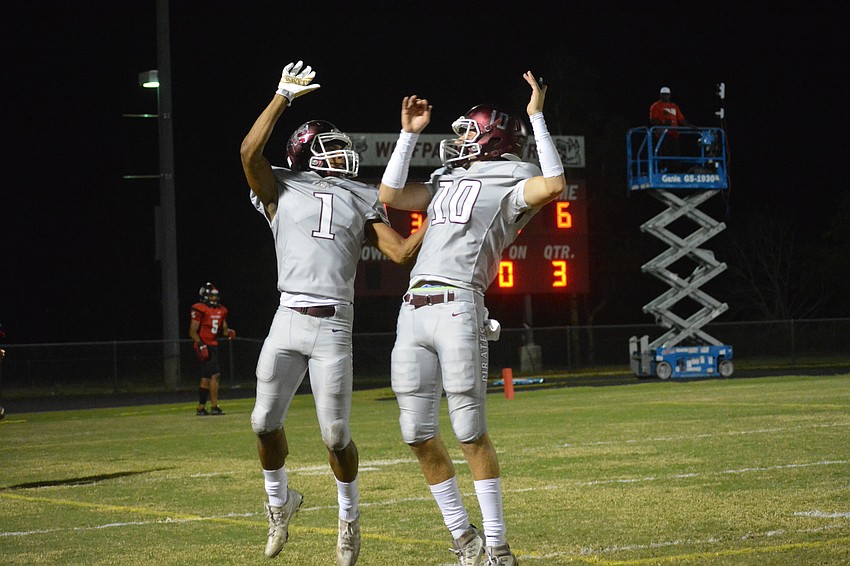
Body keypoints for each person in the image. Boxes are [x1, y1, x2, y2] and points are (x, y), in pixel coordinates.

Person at [239, 60, 426, 564]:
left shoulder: (363, 195)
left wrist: (437, 216)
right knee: (262, 422)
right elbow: (248, 151)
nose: (343, 155)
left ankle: (349, 519)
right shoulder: (279, 186)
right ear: (305, 153)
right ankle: (280, 504)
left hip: (334, 324)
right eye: (330, 147)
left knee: (336, 435)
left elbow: (400, 253)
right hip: (288, 315)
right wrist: (282, 96)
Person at [378, 71, 566, 566]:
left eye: (467, 132)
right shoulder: (447, 179)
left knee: (468, 431)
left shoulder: (514, 175)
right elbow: (391, 197)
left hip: (460, 303)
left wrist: (537, 117)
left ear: (491, 137)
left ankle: (500, 548)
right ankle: (466, 540)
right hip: (412, 309)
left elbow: (556, 183)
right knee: (416, 433)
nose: (457, 140)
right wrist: (408, 134)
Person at [189, 282, 235, 416]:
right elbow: (192, 332)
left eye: (215, 297)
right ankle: (214, 406)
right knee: (215, 375)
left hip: (213, 345)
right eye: (211, 296)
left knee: (206, 377)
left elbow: (224, 330)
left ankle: (201, 408)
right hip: (203, 344)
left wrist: (230, 333)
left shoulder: (222, 310)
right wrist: (201, 344)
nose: (214, 299)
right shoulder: (199, 309)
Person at [649, 86, 693, 168]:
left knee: (675, 155)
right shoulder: (655, 106)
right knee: (665, 154)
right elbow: (653, 120)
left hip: (674, 134)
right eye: (664, 94)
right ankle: (664, 170)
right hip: (662, 135)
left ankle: (674, 171)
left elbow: (681, 119)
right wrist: (663, 122)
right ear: (661, 95)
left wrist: (690, 126)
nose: (666, 96)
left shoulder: (674, 106)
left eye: (668, 94)